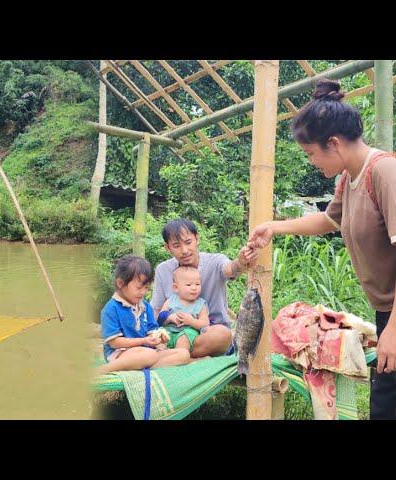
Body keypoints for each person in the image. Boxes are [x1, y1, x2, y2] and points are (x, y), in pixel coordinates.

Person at [248, 78, 396, 420]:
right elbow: (330, 220)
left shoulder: (384, 172)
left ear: (334, 143)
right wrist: (274, 227)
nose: (311, 161)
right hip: (386, 311)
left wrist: (393, 331)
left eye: (311, 153)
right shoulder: (349, 177)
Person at [151, 218, 258, 358]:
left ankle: (174, 356)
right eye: (176, 245)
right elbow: (156, 309)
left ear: (197, 239)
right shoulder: (163, 269)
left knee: (223, 335)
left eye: (188, 242)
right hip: (172, 334)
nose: (184, 250)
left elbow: (231, 269)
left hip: (207, 333)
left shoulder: (215, 261)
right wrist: (158, 330)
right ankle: (185, 357)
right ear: (168, 247)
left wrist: (241, 262)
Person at [99, 255, 191, 374]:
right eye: (139, 287)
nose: (143, 292)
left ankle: (140, 368)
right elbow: (114, 342)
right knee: (149, 355)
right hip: (121, 354)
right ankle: (106, 369)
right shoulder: (111, 308)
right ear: (120, 283)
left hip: (147, 352)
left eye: (146, 288)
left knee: (183, 354)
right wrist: (143, 341)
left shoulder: (145, 306)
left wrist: (159, 337)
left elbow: (151, 330)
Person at [160, 265, 209, 356]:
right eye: (189, 285)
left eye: (197, 284)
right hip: (168, 331)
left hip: (187, 332)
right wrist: (169, 317)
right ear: (176, 287)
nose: (194, 288)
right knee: (159, 338)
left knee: (184, 338)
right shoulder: (171, 300)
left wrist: (192, 321)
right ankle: (162, 356)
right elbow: (160, 317)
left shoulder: (200, 304)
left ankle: (178, 356)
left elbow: (205, 323)